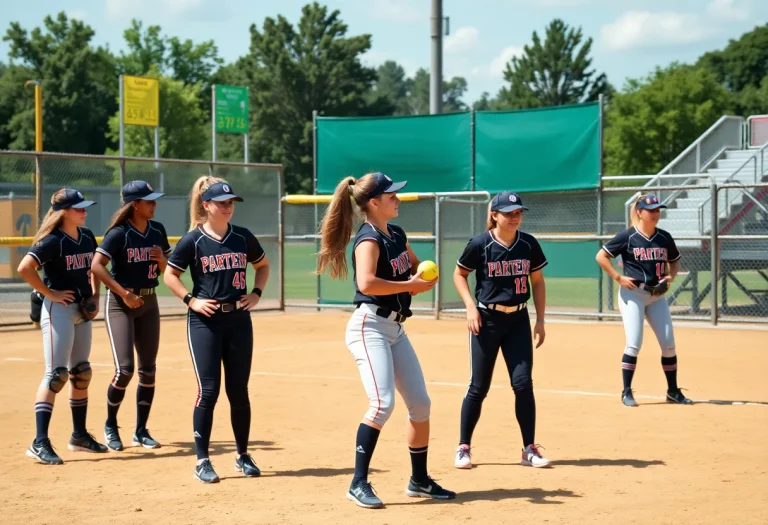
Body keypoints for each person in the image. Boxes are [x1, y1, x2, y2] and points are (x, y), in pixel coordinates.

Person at [316, 171, 456, 509]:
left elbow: (412, 266)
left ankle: (419, 480)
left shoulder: (395, 232)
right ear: (374, 202)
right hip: (370, 328)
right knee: (381, 404)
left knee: (420, 404)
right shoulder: (368, 239)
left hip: (395, 329)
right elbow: (366, 283)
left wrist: (421, 274)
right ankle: (358, 482)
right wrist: (411, 285)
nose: (397, 199)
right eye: (391, 195)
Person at [163, 176, 269, 483]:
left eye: (231, 203)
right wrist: (190, 300)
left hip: (238, 321)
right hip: (205, 323)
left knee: (239, 391)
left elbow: (262, 266)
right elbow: (170, 275)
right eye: (221, 203)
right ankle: (202, 460)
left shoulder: (242, 237)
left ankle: (242, 455)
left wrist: (257, 293)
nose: (228, 208)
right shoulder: (192, 240)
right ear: (206, 205)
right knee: (208, 392)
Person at [452, 191, 550, 470]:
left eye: (518, 212)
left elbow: (538, 282)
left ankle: (528, 449)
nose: (515, 217)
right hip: (486, 320)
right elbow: (459, 274)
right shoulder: (481, 244)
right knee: (478, 387)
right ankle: (463, 447)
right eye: (508, 213)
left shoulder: (528, 244)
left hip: (518, 320)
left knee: (523, 384)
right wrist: (470, 307)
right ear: (494, 215)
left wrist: (540, 319)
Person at [17, 189, 108, 464]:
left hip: (81, 310)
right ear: (64, 212)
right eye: (78, 208)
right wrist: (50, 293)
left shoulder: (87, 236)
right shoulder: (52, 241)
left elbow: (94, 268)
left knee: (82, 372)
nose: (84, 211)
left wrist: (94, 295)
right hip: (59, 310)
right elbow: (25, 268)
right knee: (56, 374)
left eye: (84, 207)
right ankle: (39, 442)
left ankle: (78, 436)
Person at [90, 181, 171, 451]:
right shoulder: (119, 233)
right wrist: (123, 293)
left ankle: (140, 430)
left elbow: (167, 271)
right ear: (134, 204)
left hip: (149, 301)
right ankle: (111, 425)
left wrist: (161, 260)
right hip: (121, 304)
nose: (154, 204)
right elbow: (96, 266)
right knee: (125, 370)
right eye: (149, 201)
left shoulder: (157, 230)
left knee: (149, 370)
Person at [596, 193, 693, 407]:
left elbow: (674, 263)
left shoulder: (664, 237)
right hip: (633, 295)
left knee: (669, 345)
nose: (655, 213)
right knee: (634, 343)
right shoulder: (627, 236)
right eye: (651, 210)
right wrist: (618, 277)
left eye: (658, 209)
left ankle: (673, 391)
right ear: (639, 212)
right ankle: (626, 391)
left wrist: (670, 277)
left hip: (657, 296)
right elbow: (601, 256)